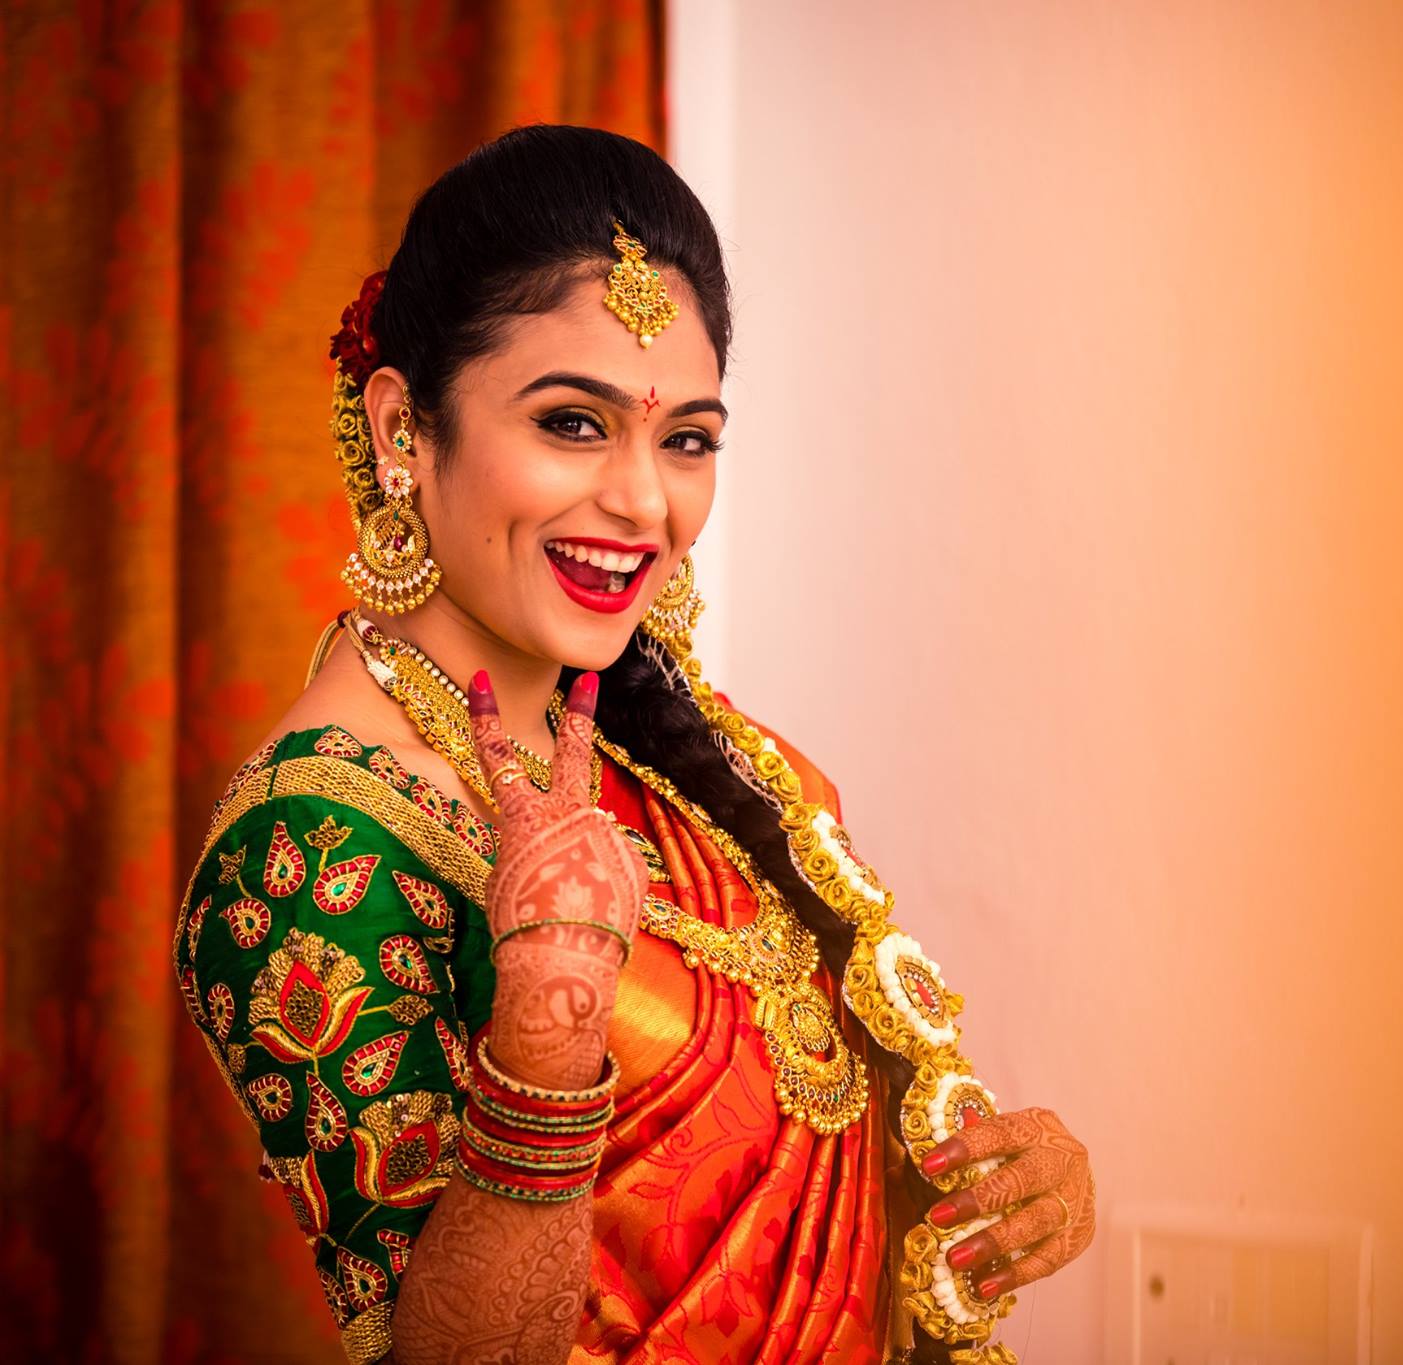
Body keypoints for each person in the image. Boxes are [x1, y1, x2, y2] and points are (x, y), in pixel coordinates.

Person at [173, 124, 1095, 1365]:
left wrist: (1001, 1188)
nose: (645, 502)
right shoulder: (310, 844)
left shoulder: (683, 759)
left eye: (687, 438)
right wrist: (545, 1041)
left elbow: (790, 1179)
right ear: (403, 429)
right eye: (570, 423)